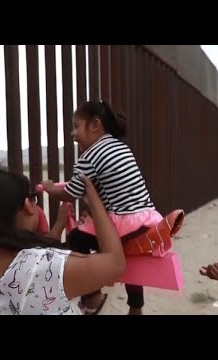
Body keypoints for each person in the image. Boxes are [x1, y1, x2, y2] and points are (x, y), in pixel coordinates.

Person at [41, 100, 163, 315]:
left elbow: (71, 193)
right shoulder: (119, 146)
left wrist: (51, 189)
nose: (72, 133)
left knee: (77, 238)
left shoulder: (89, 157)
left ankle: (93, 294)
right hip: (146, 220)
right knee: (128, 256)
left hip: (124, 223)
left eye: (76, 126)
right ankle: (136, 308)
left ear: (95, 125)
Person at [0, 169, 125, 315]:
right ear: (28, 204)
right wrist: (93, 197)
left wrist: (59, 225)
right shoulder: (49, 267)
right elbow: (115, 262)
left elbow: (33, 260)